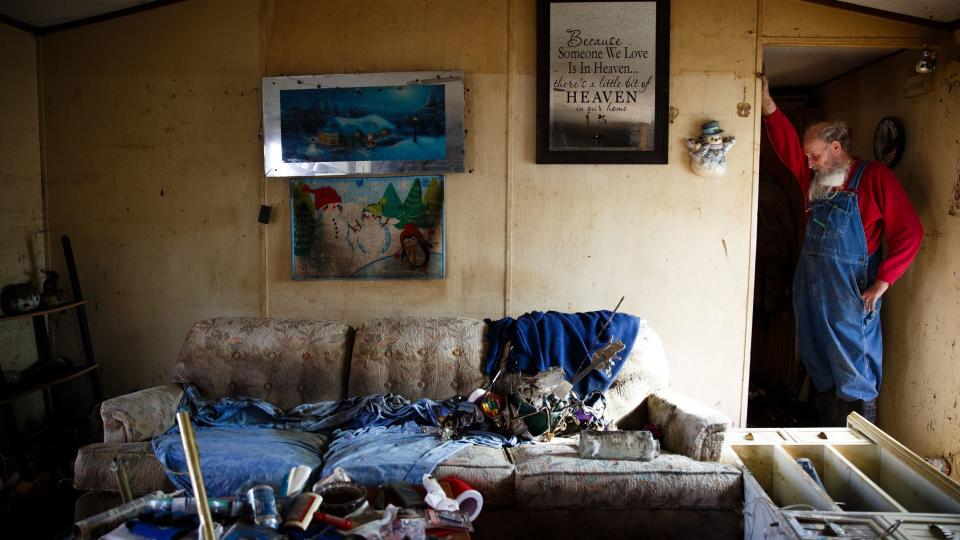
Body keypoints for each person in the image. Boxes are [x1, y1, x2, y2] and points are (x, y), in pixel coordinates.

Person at [759, 74, 923, 426]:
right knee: (818, 363)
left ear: (835, 148)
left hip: (850, 295)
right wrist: (769, 108)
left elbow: (910, 231)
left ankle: (858, 453)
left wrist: (883, 283)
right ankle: (828, 444)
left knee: (854, 370)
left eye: (814, 155)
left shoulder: (874, 177)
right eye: (807, 157)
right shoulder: (816, 182)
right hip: (813, 292)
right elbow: (788, 148)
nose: (809, 163)